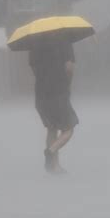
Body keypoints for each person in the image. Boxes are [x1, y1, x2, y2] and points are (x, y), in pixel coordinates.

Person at [29, 38, 78, 174]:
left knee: (52, 128)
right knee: (69, 128)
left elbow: (34, 68)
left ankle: (54, 167)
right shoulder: (64, 41)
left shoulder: (35, 44)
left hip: (41, 94)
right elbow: (69, 67)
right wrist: (68, 83)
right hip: (59, 92)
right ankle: (50, 151)